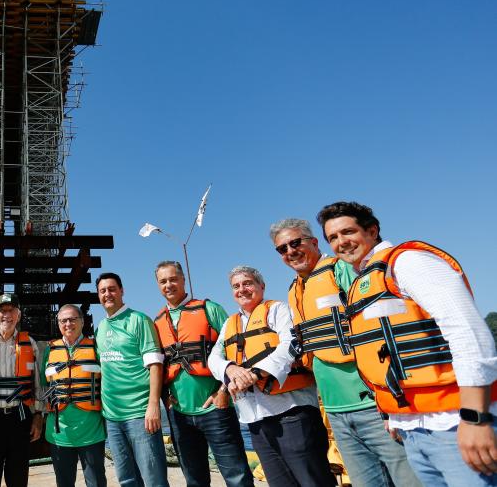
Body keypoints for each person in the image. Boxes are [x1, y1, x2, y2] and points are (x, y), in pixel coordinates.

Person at [318, 201, 497, 486]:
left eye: (348, 232)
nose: (341, 242)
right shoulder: (364, 282)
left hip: (453, 422)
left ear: (372, 230)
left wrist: (476, 417)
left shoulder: (407, 262)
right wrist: (392, 415)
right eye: (333, 237)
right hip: (412, 428)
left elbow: (468, 332)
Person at [270, 218, 420, 487]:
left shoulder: (342, 270)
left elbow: (382, 328)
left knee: (409, 480)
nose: (290, 251)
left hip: (373, 404)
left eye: (295, 243)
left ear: (314, 242)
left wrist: (391, 404)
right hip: (334, 409)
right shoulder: (294, 290)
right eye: (282, 248)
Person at [209, 266, 336, 486]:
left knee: (312, 480)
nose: (242, 289)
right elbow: (214, 358)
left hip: (292, 413)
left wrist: (256, 373)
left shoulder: (278, 310)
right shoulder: (230, 323)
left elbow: (290, 344)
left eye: (247, 283)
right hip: (254, 418)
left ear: (262, 286)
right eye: (236, 286)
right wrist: (230, 369)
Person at [151, 261, 254, 487]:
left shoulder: (210, 309)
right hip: (179, 415)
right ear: (158, 285)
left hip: (216, 410)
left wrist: (223, 391)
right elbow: (158, 365)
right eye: (163, 281)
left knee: (237, 477)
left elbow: (236, 351)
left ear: (183, 279)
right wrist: (165, 397)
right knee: (194, 480)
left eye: (173, 279)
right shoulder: (157, 322)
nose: (169, 285)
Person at [95, 272, 169, 487]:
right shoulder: (100, 328)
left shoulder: (139, 320)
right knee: (126, 479)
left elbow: (155, 364)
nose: (107, 294)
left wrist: (153, 405)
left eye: (112, 289)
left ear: (122, 291)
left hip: (139, 414)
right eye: (102, 291)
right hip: (112, 417)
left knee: (154, 480)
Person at [0, 293, 44, 487]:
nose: (7, 315)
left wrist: (39, 415)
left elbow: (38, 383)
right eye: (2, 310)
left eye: (11, 310)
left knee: (18, 478)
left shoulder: (30, 344)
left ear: (18, 315)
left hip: (20, 418)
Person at [43, 304, 107, 487]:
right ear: (58, 323)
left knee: (96, 482)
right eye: (63, 320)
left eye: (72, 319)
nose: (68, 324)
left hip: (91, 432)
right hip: (59, 433)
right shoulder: (49, 350)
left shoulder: (95, 348)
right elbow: (42, 384)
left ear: (82, 321)